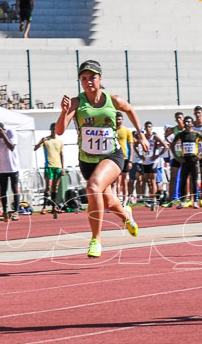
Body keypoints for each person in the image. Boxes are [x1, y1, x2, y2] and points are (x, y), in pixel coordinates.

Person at [56, 60, 147, 258]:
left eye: (92, 77)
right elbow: (59, 131)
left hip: (112, 155)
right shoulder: (76, 103)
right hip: (87, 159)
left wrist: (141, 134)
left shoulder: (113, 100)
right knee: (107, 200)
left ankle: (96, 239)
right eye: (84, 79)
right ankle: (126, 216)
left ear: (100, 79)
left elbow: (130, 110)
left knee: (93, 188)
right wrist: (64, 113)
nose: (88, 82)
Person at [169, 116, 202, 208]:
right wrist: (176, 157)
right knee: (183, 180)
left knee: (194, 180)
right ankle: (182, 201)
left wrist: (201, 155)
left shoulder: (196, 134)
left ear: (192, 124)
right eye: (185, 122)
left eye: (189, 122)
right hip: (184, 160)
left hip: (194, 159)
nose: (186, 124)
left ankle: (195, 201)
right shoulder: (180, 135)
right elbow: (172, 145)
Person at [0, 122, 20, 222]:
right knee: (3, 191)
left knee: (14, 189)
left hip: (13, 167)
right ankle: (4, 211)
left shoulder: (11, 132)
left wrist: (3, 135)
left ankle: (16, 211)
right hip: (2, 168)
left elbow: (11, 147)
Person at [34, 122, 64, 214]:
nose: (54, 131)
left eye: (55, 129)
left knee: (55, 187)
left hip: (58, 166)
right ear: (50, 130)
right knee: (48, 186)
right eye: (52, 129)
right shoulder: (46, 140)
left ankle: (54, 207)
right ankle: (44, 207)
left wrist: (63, 168)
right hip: (49, 166)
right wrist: (40, 141)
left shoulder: (59, 142)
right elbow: (35, 148)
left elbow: (61, 155)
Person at [163, 111, 186, 205]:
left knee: (186, 178)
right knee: (173, 177)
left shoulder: (186, 129)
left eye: (180, 117)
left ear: (183, 118)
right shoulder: (174, 129)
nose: (179, 119)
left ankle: (185, 198)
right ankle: (170, 199)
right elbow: (166, 135)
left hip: (185, 156)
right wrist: (171, 143)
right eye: (177, 118)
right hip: (176, 156)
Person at [114, 112, 135, 205]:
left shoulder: (127, 131)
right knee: (116, 180)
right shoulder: (112, 130)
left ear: (122, 120)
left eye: (120, 119)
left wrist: (130, 160)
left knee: (124, 180)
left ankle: (125, 199)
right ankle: (117, 199)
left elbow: (131, 146)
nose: (118, 121)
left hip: (125, 158)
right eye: (116, 119)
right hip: (115, 157)